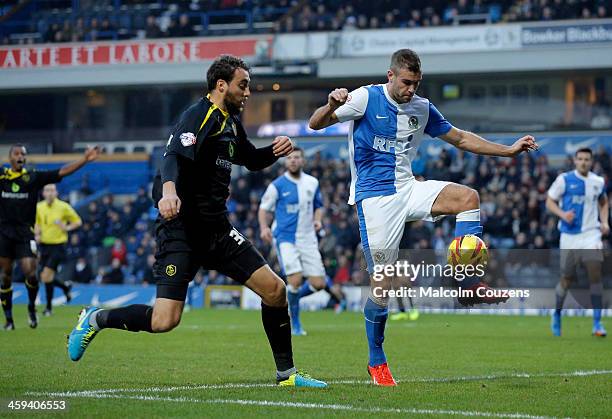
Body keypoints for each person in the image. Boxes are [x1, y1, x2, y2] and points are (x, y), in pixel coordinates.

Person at [67, 55, 326, 388]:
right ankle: (96, 318)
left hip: (218, 230)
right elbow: (172, 156)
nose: (248, 92)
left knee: (275, 290)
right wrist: (169, 193)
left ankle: (287, 376)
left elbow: (248, 159)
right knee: (164, 320)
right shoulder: (198, 115)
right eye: (243, 85)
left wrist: (274, 151)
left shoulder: (231, 123)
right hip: (182, 232)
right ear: (222, 85)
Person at [308, 48, 538, 386]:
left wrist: (508, 149)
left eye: (416, 83)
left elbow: (459, 138)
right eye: (406, 82)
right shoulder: (364, 98)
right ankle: (377, 361)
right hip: (374, 198)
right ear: (391, 76)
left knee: (468, 198)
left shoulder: (422, 107)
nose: (411, 89)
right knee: (381, 286)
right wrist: (331, 104)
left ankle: (468, 284)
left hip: (408, 187)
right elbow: (315, 124)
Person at [0, 144, 101, 330]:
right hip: (4, 234)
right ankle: (9, 320)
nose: (21, 156)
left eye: (23, 153)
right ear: (10, 157)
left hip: (25, 234)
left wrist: (85, 159)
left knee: (30, 271)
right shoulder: (2, 176)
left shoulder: (33, 177)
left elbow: (62, 171)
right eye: (17, 153)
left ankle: (31, 308)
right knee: (5, 276)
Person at [258, 147, 344, 336]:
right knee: (295, 280)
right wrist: (264, 227)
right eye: (289, 158)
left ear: (303, 161)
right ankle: (295, 323)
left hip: (308, 238)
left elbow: (319, 206)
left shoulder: (312, 183)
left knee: (319, 283)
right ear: (285, 162)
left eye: (297, 157)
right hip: (285, 238)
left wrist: (318, 219)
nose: (293, 160)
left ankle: (291, 300)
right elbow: (264, 209)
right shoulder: (277, 185)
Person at [546, 148, 609, 337]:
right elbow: (549, 201)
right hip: (569, 236)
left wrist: (604, 222)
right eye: (580, 159)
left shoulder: (598, 182)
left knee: (595, 275)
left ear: (591, 162)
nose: (583, 162)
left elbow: (604, 202)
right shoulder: (564, 180)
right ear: (575, 160)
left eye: (587, 159)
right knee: (566, 279)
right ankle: (556, 314)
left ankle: (597, 324)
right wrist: (562, 214)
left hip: (591, 234)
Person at [35, 183, 82, 316]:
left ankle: (48, 308)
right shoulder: (39, 207)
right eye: (47, 190)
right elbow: (37, 223)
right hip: (44, 246)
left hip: (58, 246)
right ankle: (65, 287)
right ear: (43, 193)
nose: (49, 193)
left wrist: (66, 228)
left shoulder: (63, 207)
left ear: (56, 193)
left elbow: (78, 221)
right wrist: (37, 234)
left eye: (52, 190)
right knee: (45, 277)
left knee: (46, 275)